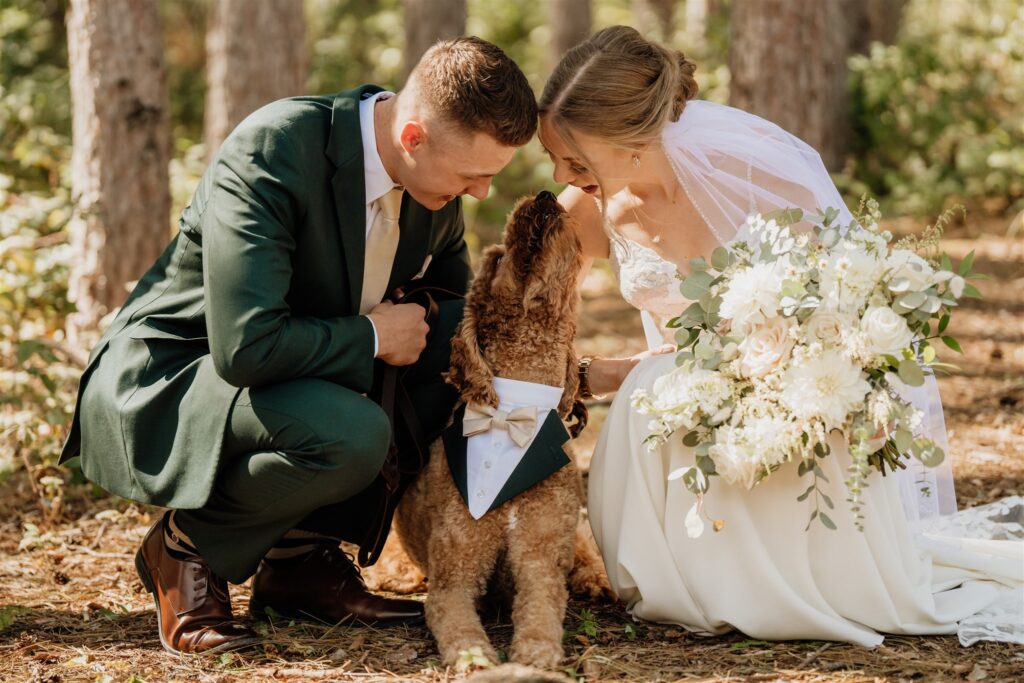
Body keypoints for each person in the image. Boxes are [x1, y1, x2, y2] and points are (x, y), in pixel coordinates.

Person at [539, 25, 1023, 647]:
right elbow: (525, 297)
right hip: (673, 430)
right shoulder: (590, 205)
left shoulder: (757, 184)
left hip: (789, 415)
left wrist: (625, 371)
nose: (560, 172)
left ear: (628, 141)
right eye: (553, 158)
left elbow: (836, 322)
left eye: (574, 158)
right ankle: (681, 570)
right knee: (658, 385)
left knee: (655, 382)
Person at [59, 37, 538, 655]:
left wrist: (427, 321)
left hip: (294, 371)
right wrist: (372, 334)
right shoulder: (277, 147)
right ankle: (184, 547)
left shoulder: (431, 184)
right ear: (413, 136)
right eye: (473, 176)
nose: (479, 194)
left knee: (460, 346)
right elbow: (246, 345)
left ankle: (299, 562)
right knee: (351, 433)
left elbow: (449, 298)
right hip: (185, 370)